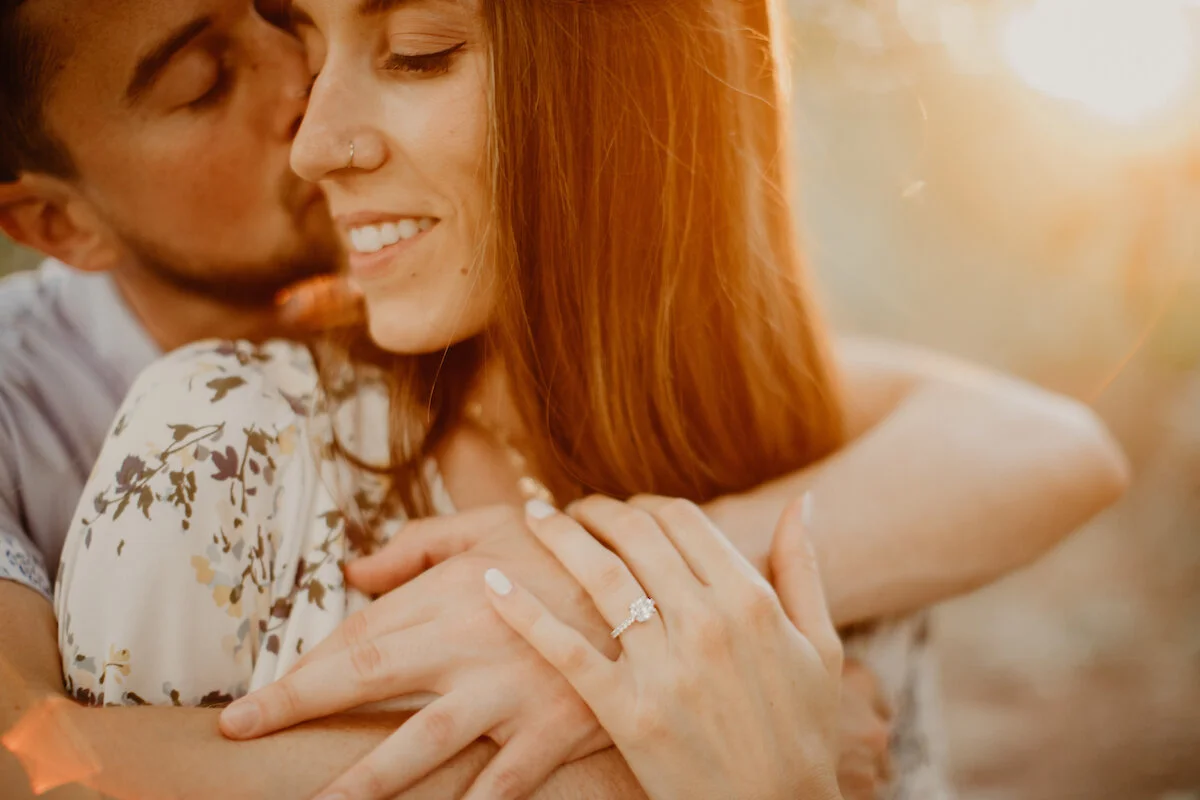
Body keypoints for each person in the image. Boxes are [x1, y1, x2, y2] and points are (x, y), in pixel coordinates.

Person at [45, 1, 1129, 799]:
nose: (316, 144)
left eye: (418, 53)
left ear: (630, 76)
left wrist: (600, 598)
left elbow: (1064, 444)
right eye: (315, 51)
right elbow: (53, 768)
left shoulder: (811, 460)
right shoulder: (216, 446)